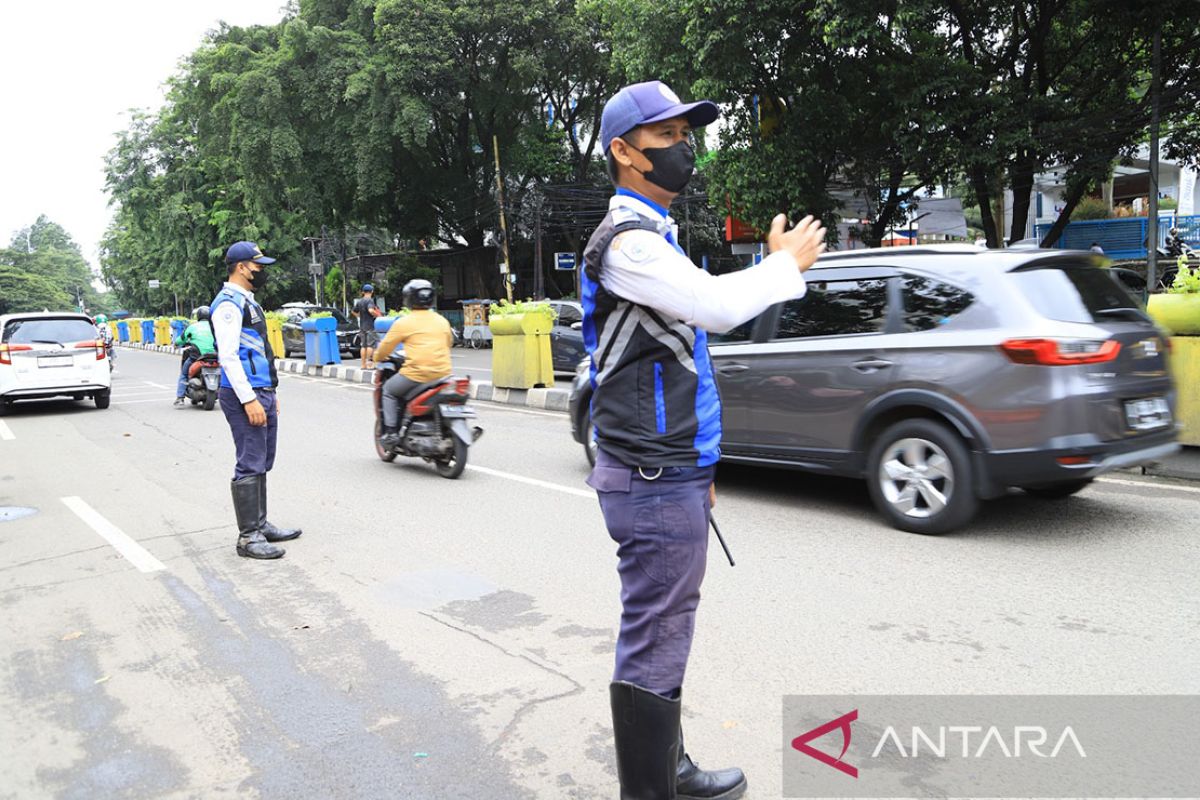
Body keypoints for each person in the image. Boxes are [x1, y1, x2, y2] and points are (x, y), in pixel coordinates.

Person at [583, 81, 826, 800]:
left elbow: (683, 363)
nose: (684, 148)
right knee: (656, 634)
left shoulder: (655, 234)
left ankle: (671, 771)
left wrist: (703, 467)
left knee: (666, 631)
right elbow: (718, 310)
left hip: (672, 471)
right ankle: (650, 791)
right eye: (666, 136)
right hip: (653, 477)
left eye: (686, 133)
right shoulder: (628, 243)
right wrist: (785, 265)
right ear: (624, 153)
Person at [211, 241, 302, 560]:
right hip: (242, 393)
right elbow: (229, 356)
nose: (262, 271)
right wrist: (249, 399)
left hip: (261, 390)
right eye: (258, 266)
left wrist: (270, 392)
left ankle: (260, 524)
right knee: (250, 460)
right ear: (241, 267)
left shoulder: (246, 300)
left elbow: (261, 350)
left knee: (263, 459)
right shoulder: (227, 304)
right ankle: (248, 537)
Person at [373, 279, 453, 447]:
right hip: (444, 374)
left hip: (418, 375)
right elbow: (449, 343)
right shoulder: (442, 321)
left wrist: (376, 357)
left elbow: (385, 348)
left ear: (408, 299)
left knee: (388, 391)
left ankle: (392, 433)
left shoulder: (404, 322)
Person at [173, 306, 216, 406]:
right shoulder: (215, 326)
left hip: (197, 357)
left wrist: (176, 344)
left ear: (198, 316)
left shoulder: (193, 326)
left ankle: (180, 397)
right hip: (215, 357)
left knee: (184, 373)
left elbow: (181, 339)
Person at [353, 283, 383, 368]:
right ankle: (369, 364)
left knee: (363, 346)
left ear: (363, 292)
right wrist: (377, 315)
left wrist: (359, 316)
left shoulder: (360, 301)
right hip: (370, 325)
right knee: (371, 345)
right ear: (372, 291)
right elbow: (370, 310)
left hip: (362, 325)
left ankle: (363, 365)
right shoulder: (369, 300)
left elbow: (354, 311)